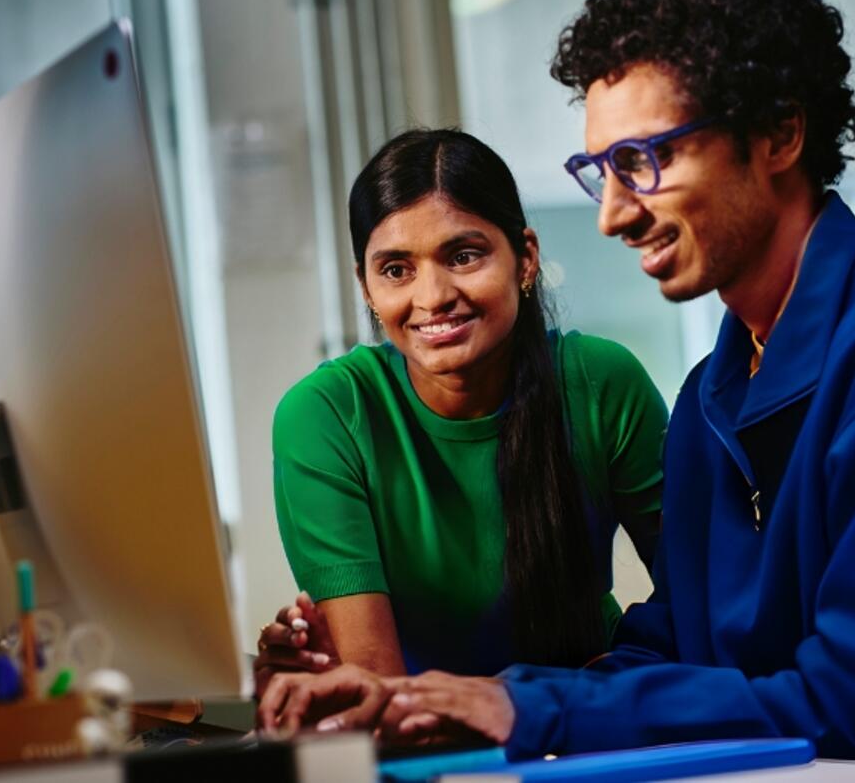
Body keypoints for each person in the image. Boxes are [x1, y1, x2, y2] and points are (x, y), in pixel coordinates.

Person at [256, 0, 855, 762]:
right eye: (600, 172)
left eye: (644, 161)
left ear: (776, 136)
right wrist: (475, 702)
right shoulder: (716, 393)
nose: (613, 213)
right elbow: (682, 640)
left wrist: (535, 713)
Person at [254, 128, 667, 691]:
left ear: (525, 259)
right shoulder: (326, 416)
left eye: (464, 255)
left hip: (592, 725)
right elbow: (377, 685)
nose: (432, 297)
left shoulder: (603, 382)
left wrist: (625, 674)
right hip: (426, 749)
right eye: (396, 269)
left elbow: (696, 606)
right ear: (367, 287)